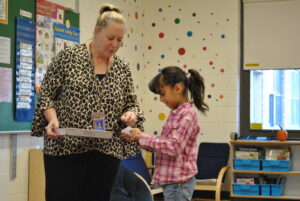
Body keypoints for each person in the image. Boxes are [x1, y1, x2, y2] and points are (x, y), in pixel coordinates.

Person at [31, 3, 144, 201]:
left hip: (106, 151)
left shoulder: (122, 68)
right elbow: (46, 94)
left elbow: (132, 103)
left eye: (119, 40)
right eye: (110, 38)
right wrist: (52, 119)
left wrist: (131, 114)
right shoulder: (69, 57)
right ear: (96, 31)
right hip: (65, 148)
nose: (115, 45)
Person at [122, 66, 209, 201]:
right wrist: (137, 138)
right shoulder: (175, 113)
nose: (161, 99)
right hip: (172, 183)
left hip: (179, 183)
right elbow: (163, 146)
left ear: (178, 88)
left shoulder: (187, 115)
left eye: (163, 94)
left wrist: (142, 137)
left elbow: (173, 147)